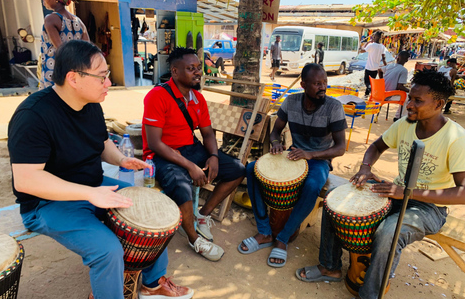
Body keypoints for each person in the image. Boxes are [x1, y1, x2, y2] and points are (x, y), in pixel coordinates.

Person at [8, 40, 193, 299]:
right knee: (107, 250)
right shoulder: (33, 116)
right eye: (102, 77)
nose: (108, 83)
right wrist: (89, 193)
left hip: (94, 186)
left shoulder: (91, 103)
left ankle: (153, 283)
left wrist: (120, 160)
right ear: (73, 78)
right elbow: (26, 180)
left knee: (154, 211)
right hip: (46, 204)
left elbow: (103, 142)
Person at [296, 69, 465, 299]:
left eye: (417, 101)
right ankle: (330, 267)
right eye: (409, 98)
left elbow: (462, 193)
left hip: (429, 208)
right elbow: (375, 147)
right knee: (334, 201)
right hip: (396, 192)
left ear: (438, 104)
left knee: (388, 232)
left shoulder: (455, 138)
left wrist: (407, 192)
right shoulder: (405, 124)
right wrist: (366, 168)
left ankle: (370, 294)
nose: (409, 105)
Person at [142, 47, 246, 262]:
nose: (198, 72)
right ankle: (193, 239)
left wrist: (214, 157)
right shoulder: (157, 96)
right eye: (191, 69)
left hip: (191, 147)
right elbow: (154, 142)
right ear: (175, 71)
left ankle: (202, 215)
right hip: (162, 153)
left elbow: (207, 133)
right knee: (182, 186)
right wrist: (190, 166)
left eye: (199, 68)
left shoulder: (197, 97)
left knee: (237, 170)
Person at [238, 63, 347, 268]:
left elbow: (340, 148)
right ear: (304, 84)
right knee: (252, 170)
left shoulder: (334, 107)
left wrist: (311, 154)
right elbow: (274, 132)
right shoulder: (291, 101)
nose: (322, 87)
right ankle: (264, 231)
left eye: (324, 82)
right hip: (294, 155)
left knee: (313, 185)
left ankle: (283, 237)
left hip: (319, 160)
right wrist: (277, 143)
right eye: (316, 83)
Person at [38, 0, 90, 90]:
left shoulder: (51, 19)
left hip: (55, 71)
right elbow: (88, 49)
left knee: (52, 104)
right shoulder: (78, 22)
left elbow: (61, 48)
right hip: (75, 73)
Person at [377, 51, 410, 121]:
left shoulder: (390, 65)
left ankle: (398, 116)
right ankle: (400, 117)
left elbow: (379, 70)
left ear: (397, 58)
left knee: (405, 95)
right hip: (389, 95)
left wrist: (381, 80)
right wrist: (411, 90)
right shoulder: (403, 70)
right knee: (408, 96)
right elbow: (400, 87)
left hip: (380, 93)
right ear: (407, 60)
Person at [361, 31, 387, 98]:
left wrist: (368, 42)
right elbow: (384, 58)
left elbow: (362, 50)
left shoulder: (371, 45)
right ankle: (368, 94)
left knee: (367, 82)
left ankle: (368, 93)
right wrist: (386, 66)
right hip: (375, 68)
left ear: (375, 37)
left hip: (369, 67)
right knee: (372, 81)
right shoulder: (382, 47)